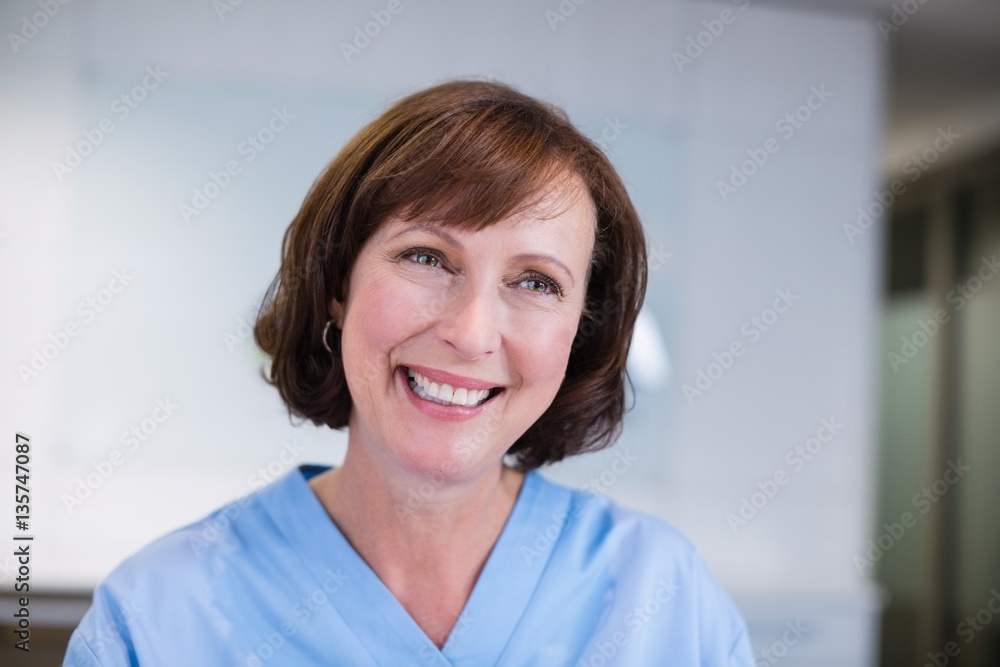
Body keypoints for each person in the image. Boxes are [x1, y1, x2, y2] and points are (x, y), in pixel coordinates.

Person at [64, 79, 754, 666]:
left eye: (537, 281)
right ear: (339, 283)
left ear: (581, 331)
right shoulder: (155, 620)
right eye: (427, 257)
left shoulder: (664, 601)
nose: (471, 332)